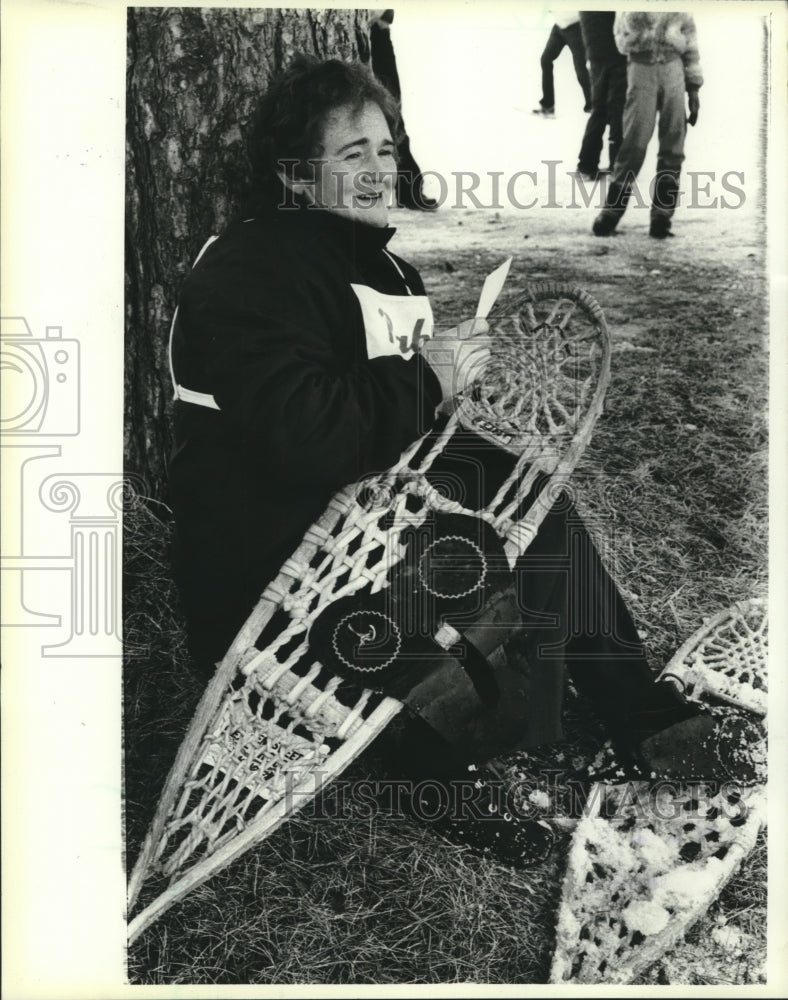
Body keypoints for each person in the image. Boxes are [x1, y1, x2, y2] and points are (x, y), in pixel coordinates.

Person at [168, 56, 756, 867]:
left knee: (528, 502)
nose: (380, 169)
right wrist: (429, 377)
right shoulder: (254, 265)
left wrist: (449, 389)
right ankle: (433, 772)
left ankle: (639, 712)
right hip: (272, 554)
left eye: (386, 147)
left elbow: (391, 412)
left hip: (364, 504)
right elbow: (304, 435)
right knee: (418, 616)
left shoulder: (382, 264)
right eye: (353, 155)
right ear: (295, 177)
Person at [592, 11, 703, 239]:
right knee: (634, 143)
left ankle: (662, 217)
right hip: (640, 69)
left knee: (673, 146)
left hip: (674, 69)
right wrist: (642, 40)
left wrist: (693, 88)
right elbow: (620, 36)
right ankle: (612, 211)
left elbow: (690, 42)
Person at [367, 9, 437, 210]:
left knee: (392, 117)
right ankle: (407, 190)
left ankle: (409, 190)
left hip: (377, 34)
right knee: (389, 119)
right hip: (372, 34)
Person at [575, 11, 628, 179]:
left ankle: (586, 165)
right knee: (617, 108)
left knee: (599, 109)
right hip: (616, 51)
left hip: (595, 51)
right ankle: (617, 165)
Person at [532, 13, 592, 117]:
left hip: (575, 26)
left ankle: (593, 106)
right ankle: (548, 105)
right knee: (545, 60)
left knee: (580, 68)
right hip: (559, 26)